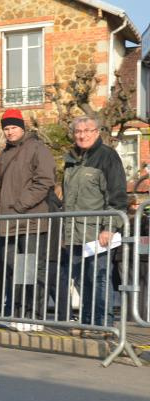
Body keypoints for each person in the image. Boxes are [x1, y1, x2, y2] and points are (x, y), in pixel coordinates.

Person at [57, 116, 128, 335]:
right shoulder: (71, 158)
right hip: (74, 230)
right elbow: (67, 197)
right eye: (78, 130)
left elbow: (117, 195)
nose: (82, 134)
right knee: (81, 278)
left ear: (97, 132)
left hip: (97, 230)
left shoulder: (107, 156)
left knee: (98, 277)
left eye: (87, 130)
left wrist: (109, 227)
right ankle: (86, 322)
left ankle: (103, 323)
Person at [0, 109, 55, 329]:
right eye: (6, 128)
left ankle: (33, 316)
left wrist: (19, 205)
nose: (9, 132)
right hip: (7, 221)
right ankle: (16, 314)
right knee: (12, 269)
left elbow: (45, 181)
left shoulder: (37, 148)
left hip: (31, 220)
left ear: (22, 128)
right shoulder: (1, 156)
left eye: (13, 127)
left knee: (31, 269)